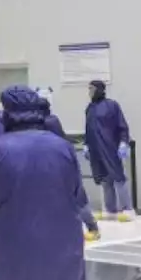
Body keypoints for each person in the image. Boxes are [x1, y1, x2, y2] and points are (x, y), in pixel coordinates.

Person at [0, 86, 88, 280]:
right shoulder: (63, 147)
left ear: (7, 113)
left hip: (14, 243)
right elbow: (78, 195)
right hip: (64, 245)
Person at [37, 87, 100, 238]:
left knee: (73, 198)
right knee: (75, 197)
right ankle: (90, 227)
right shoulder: (53, 120)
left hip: (56, 165)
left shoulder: (45, 123)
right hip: (63, 162)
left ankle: (92, 227)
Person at [83, 79, 133, 220]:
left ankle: (127, 208)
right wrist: (86, 144)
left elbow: (122, 126)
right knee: (104, 179)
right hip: (96, 148)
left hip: (110, 147)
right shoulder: (90, 109)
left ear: (100, 89)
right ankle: (110, 209)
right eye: (89, 89)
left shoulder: (112, 106)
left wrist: (124, 142)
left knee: (118, 177)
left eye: (92, 89)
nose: (90, 92)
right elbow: (88, 129)